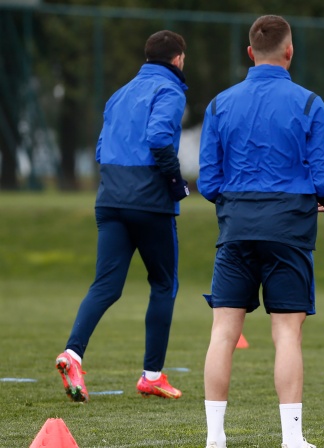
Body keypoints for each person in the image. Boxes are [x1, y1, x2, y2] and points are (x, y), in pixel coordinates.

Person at [197, 15, 324, 448]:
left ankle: (214, 438)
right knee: (287, 333)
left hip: (237, 227)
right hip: (288, 228)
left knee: (223, 332)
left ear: (250, 52)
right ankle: (291, 439)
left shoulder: (219, 104)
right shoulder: (310, 103)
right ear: (289, 51)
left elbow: (208, 182)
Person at [55, 30, 189, 403]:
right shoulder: (170, 90)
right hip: (149, 202)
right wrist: (176, 182)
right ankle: (151, 376)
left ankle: (72, 354)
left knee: (106, 286)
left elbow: (101, 148)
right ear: (178, 59)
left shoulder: (120, 93)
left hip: (110, 199)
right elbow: (159, 138)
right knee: (163, 284)